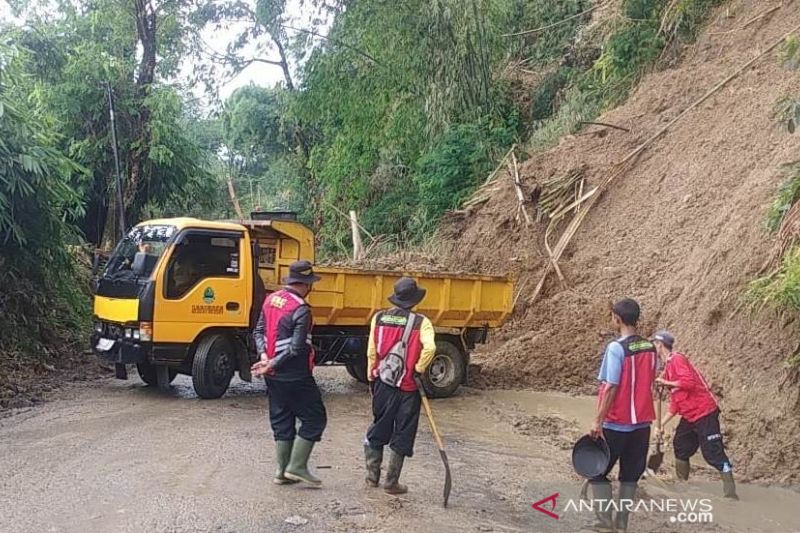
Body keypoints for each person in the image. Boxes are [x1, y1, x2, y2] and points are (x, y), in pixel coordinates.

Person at [251, 260, 327, 486]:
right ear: (306, 284)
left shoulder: (270, 299)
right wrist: (272, 363)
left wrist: (264, 357)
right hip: (295, 374)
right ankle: (297, 466)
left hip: (272, 375)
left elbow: (259, 331)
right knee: (315, 419)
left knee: (282, 418)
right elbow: (296, 347)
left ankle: (281, 472)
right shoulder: (301, 309)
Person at [588, 298, 657, 533]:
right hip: (642, 425)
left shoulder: (616, 348)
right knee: (630, 477)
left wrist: (598, 421)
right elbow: (650, 379)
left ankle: (604, 522)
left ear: (617, 318)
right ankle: (622, 524)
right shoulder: (650, 347)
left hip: (617, 423)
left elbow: (611, 386)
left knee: (596, 472)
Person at [363, 277, 436, 495]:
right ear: (414, 300)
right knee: (403, 431)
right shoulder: (421, 322)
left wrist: (370, 377)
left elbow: (371, 351)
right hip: (408, 387)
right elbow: (430, 348)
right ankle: (391, 482)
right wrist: (419, 369)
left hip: (383, 383)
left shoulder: (379, 317)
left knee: (379, 425)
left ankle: (371, 477)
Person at [652, 331, 738, 499]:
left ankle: (731, 492)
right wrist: (660, 425)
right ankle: (683, 487)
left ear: (659, 345)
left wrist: (665, 382)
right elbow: (676, 403)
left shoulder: (677, 359)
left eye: (653, 343)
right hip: (690, 416)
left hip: (704, 413)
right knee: (681, 447)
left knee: (713, 454)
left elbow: (689, 383)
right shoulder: (668, 368)